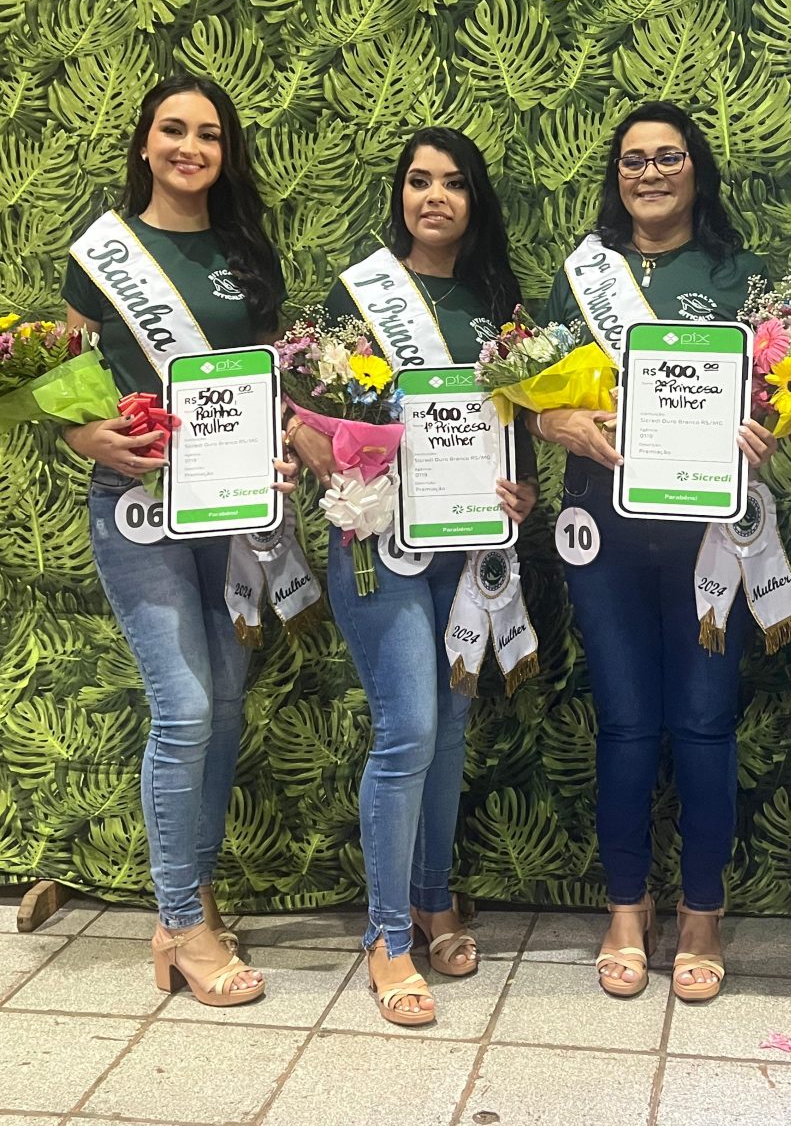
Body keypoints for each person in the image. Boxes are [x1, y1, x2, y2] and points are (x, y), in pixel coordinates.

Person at [287, 127, 539, 1027]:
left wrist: (521, 489)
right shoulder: (359, 293)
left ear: (475, 200)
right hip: (377, 542)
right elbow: (305, 414)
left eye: (454, 183)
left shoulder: (498, 301)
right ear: (399, 194)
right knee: (409, 731)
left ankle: (433, 901)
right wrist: (322, 452)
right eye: (419, 181)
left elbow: (514, 424)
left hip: (466, 546)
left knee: (453, 727)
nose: (435, 197)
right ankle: (386, 936)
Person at [535, 101, 779, 1002]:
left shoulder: (741, 274)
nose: (649, 173)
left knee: (707, 723)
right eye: (633, 160)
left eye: (667, 157)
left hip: (710, 536)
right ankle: (627, 909)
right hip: (603, 530)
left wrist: (764, 427)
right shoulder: (581, 275)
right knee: (627, 723)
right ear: (617, 176)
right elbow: (530, 394)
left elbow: (784, 394)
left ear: (695, 168)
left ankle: (703, 912)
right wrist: (558, 422)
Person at [62, 75, 296, 1006]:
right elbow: (63, 377)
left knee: (226, 707)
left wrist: (281, 450)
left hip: (231, 509)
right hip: (136, 505)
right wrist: (83, 434)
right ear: (145, 142)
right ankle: (177, 922)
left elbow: (273, 379)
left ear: (225, 152)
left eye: (208, 134)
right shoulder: (104, 254)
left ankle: (193, 899)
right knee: (186, 709)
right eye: (172, 129)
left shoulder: (247, 252)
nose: (189, 147)